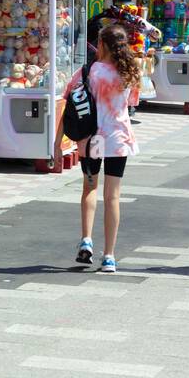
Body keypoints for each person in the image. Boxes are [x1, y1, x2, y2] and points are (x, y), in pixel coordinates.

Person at [56, 24, 142, 273]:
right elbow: (131, 103)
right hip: (118, 140)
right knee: (113, 196)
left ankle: (86, 239)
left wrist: (56, 143)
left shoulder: (88, 71)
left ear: (102, 45)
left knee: (89, 188)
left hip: (93, 140)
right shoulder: (129, 72)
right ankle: (110, 256)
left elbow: (70, 102)